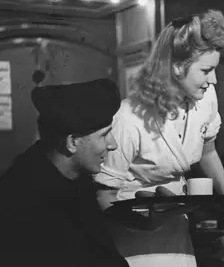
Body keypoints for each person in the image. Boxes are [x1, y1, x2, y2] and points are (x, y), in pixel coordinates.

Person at [94, 9, 224, 267]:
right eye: (206, 70)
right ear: (178, 66)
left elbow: (208, 151)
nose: (212, 80)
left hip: (175, 222)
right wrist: (142, 222)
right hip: (132, 228)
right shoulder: (130, 117)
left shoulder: (206, 99)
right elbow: (104, 197)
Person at [0, 79, 128, 267]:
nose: (113, 144)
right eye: (104, 135)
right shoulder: (24, 203)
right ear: (71, 143)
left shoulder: (74, 179)